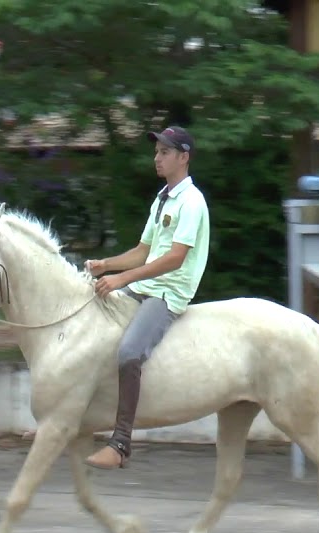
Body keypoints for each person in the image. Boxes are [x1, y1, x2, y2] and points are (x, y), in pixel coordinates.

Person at [84, 125, 211, 470]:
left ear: (183, 158)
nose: (157, 158)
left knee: (128, 352)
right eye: (156, 152)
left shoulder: (192, 201)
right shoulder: (163, 198)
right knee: (89, 317)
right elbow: (143, 251)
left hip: (169, 291)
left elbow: (174, 258)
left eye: (165, 152)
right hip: (145, 285)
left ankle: (121, 442)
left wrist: (121, 278)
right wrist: (104, 265)